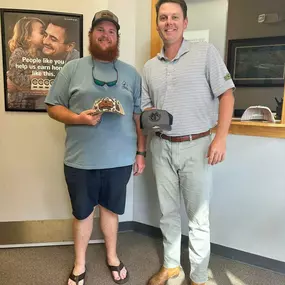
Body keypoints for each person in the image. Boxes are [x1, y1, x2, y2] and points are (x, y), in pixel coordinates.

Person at [44, 10, 146, 285]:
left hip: (119, 160)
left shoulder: (130, 74)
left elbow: (138, 116)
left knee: (112, 211)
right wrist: (77, 119)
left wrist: (140, 152)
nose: (105, 35)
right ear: (90, 35)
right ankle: (80, 263)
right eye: (100, 30)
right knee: (82, 213)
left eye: (111, 31)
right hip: (80, 160)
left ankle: (112, 256)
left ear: (117, 37)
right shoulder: (72, 69)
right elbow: (53, 107)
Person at [141, 1, 235, 285]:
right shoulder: (149, 67)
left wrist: (220, 137)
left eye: (174, 17)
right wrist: (150, 118)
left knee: (198, 218)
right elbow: (146, 106)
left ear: (185, 22)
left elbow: (227, 94)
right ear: (157, 23)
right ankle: (171, 266)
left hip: (198, 146)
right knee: (167, 212)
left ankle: (197, 277)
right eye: (163, 17)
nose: (168, 22)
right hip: (161, 146)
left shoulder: (205, 52)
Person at [7, 16, 45, 109]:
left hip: (33, 102)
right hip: (18, 103)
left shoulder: (40, 55)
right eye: (42, 32)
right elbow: (14, 77)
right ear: (27, 37)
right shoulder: (18, 53)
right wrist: (33, 77)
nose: (45, 36)